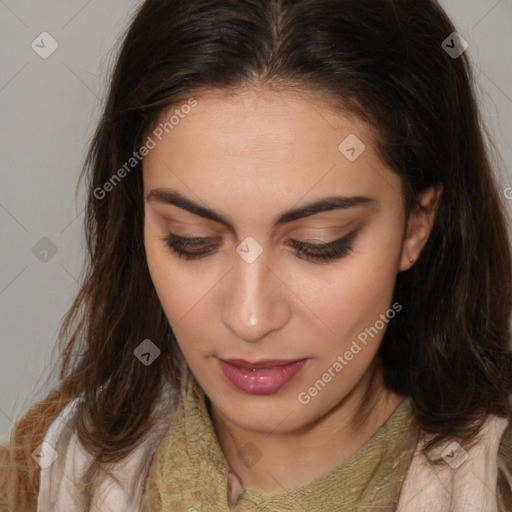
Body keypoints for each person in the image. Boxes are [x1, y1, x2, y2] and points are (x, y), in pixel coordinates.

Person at [1, 0, 512, 510]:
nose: (249, 319)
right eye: (191, 239)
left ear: (415, 225)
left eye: (319, 244)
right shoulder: (37, 481)